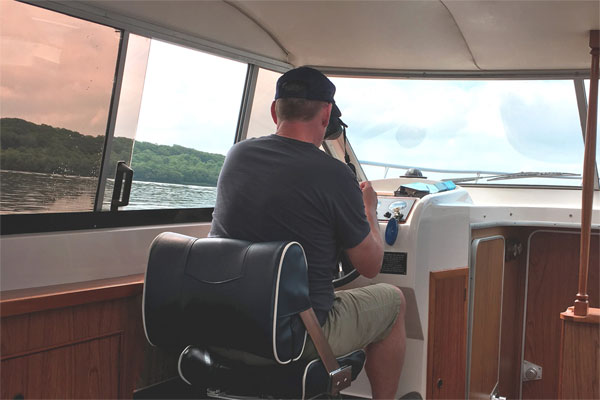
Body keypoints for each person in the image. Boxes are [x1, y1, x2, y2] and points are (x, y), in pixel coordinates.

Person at [209, 66, 406, 399]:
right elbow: (370, 265)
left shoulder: (237, 155)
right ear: (326, 114)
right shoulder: (333, 175)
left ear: (275, 111)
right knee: (395, 301)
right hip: (296, 335)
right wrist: (369, 211)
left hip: (228, 329)